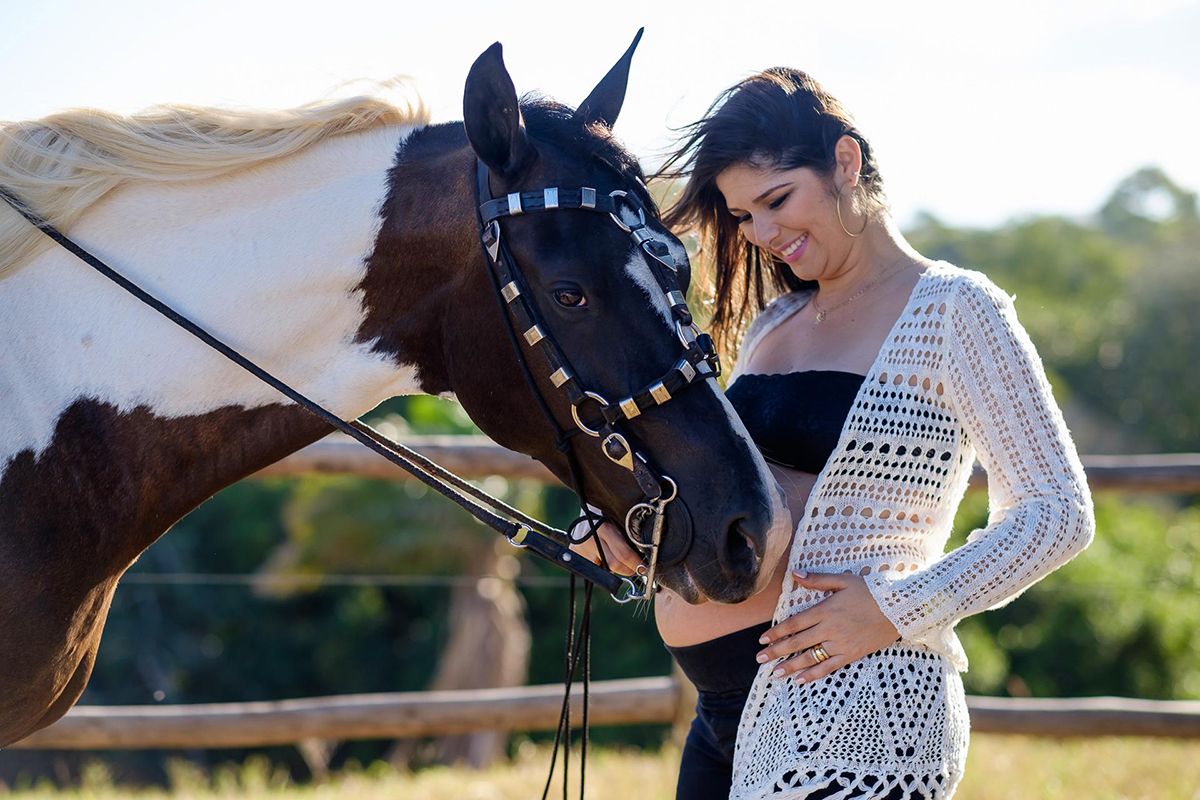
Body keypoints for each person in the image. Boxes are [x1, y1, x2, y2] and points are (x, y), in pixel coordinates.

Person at [572, 68, 1095, 799]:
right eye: (744, 217)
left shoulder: (954, 310)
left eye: (776, 200)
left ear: (845, 162)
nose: (763, 234)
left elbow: (1056, 513)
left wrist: (893, 609)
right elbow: (744, 502)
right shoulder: (775, 324)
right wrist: (644, 535)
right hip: (722, 721)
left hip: (857, 718)